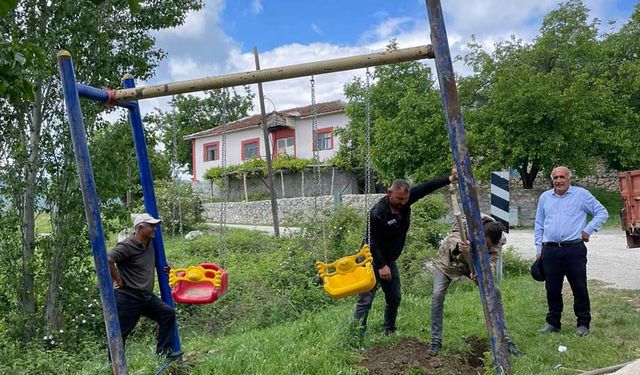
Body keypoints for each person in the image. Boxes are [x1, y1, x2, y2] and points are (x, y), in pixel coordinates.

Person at [353, 168, 457, 339]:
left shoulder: (406, 202)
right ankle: (356, 337)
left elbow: (425, 188)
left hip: (389, 259)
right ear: (389, 193)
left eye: (405, 199)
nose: (402, 203)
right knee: (365, 300)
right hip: (371, 259)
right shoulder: (377, 213)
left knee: (394, 297)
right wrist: (381, 265)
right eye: (399, 199)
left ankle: (389, 330)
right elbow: (371, 242)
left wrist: (449, 179)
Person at [428, 214, 522, 356]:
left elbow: (491, 261)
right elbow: (452, 239)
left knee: (495, 293)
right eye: (484, 243)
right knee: (437, 295)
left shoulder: (499, 239)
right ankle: (436, 341)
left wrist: (482, 273)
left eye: (488, 245)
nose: (486, 247)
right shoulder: (465, 223)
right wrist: (460, 246)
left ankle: (505, 340)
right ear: (478, 234)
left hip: (475, 264)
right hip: (448, 263)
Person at [534, 166, 608, 337]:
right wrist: (539, 249)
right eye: (556, 177)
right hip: (550, 250)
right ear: (552, 179)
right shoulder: (545, 197)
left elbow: (601, 212)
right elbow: (539, 224)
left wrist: (589, 229)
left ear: (569, 179)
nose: (559, 180)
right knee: (552, 288)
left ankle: (583, 323)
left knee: (579, 287)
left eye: (562, 177)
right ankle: (553, 323)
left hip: (574, 249)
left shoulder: (581, 195)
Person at [108, 213, 181, 358]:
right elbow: (108, 259)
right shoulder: (127, 245)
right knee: (120, 334)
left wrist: (165, 266)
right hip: (128, 297)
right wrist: (118, 279)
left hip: (145, 297)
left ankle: (163, 353)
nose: (155, 229)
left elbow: (149, 263)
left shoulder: (151, 244)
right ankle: (114, 366)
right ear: (140, 228)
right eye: (151, 226)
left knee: (167, 314)